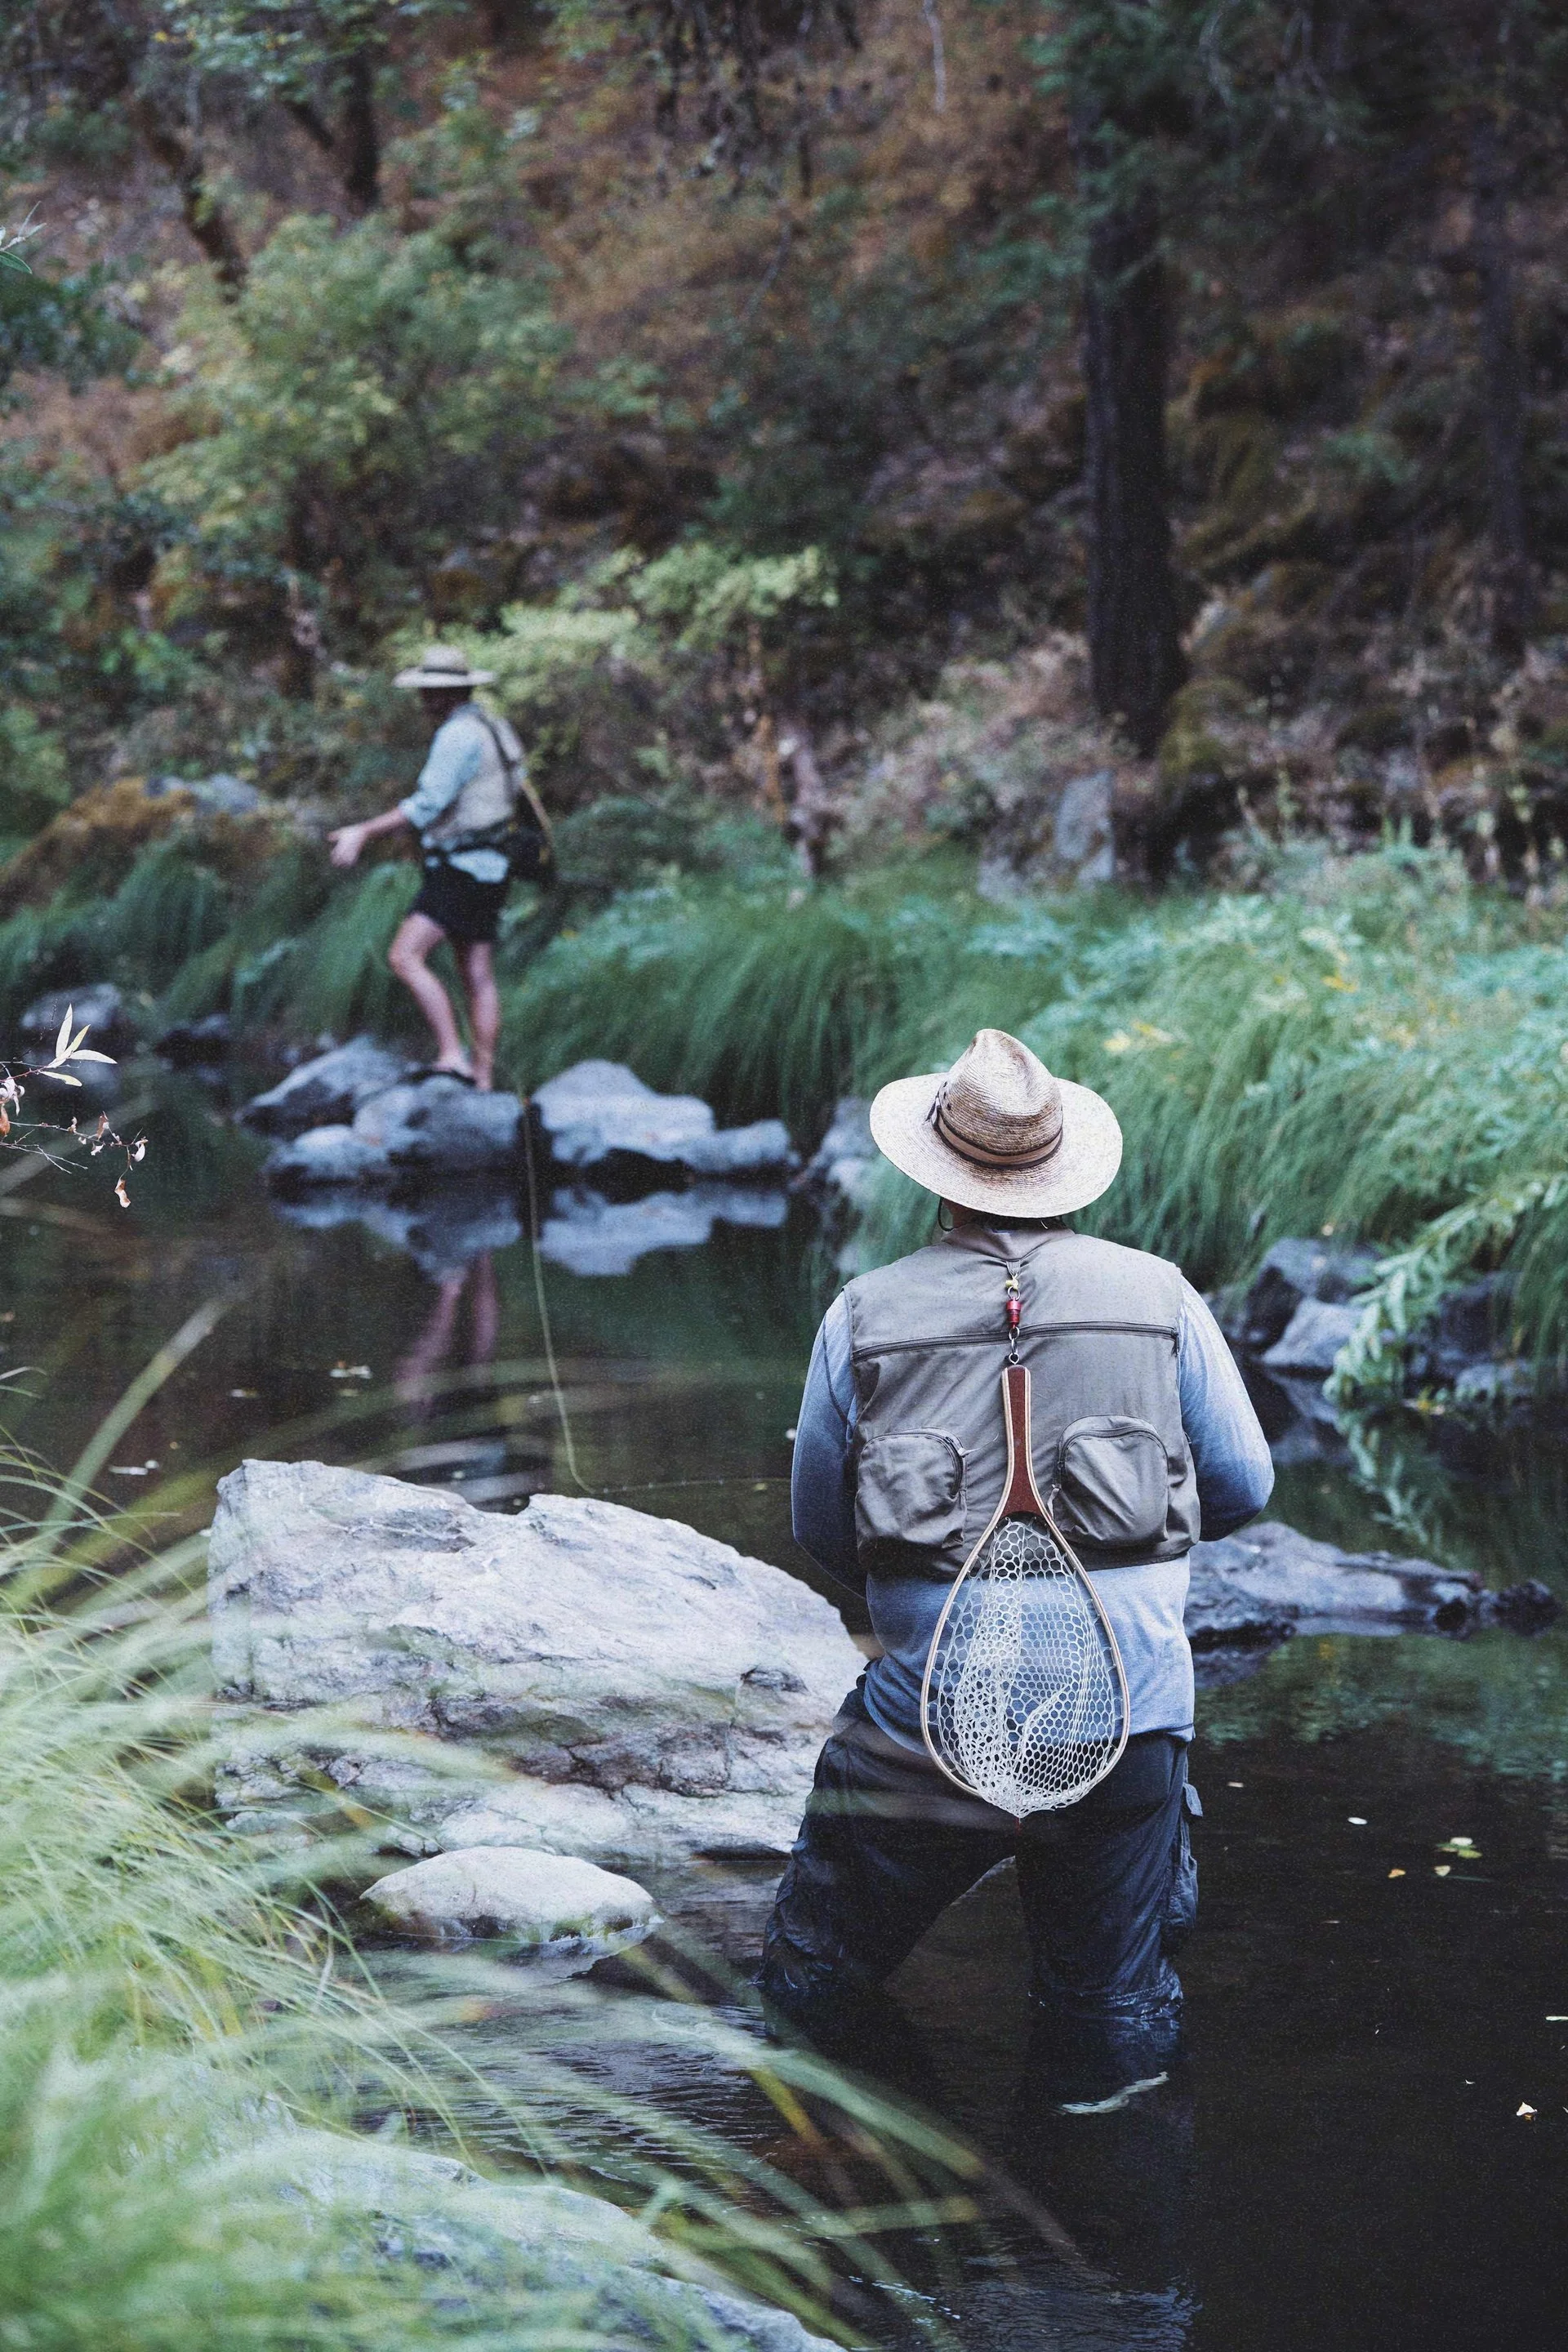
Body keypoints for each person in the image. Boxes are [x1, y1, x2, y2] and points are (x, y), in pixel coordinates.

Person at [759, 1027, 1274, 2108]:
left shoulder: (862, 1314)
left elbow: (820, 1528)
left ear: (932, 1174)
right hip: (1132, 1712)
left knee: (813, 1981)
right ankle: (1115, 2233)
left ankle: (852, 2198)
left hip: (923, 1718)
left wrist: (930, 1603)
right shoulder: (1160, 1295)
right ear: (1062, 1168)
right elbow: (1245, 1488)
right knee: (1112, 2008)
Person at [327, 645, 547, 1092]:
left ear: (456, 692)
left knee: (405, 956)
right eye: (426, 691)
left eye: (436, 692)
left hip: (462, 868)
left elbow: (426, 806)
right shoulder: (495, 728)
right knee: (478, 973)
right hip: (495, 865)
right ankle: (482, 1078)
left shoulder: (457, 736)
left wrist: (363, 832)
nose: (427, 700)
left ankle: (452, 1057)